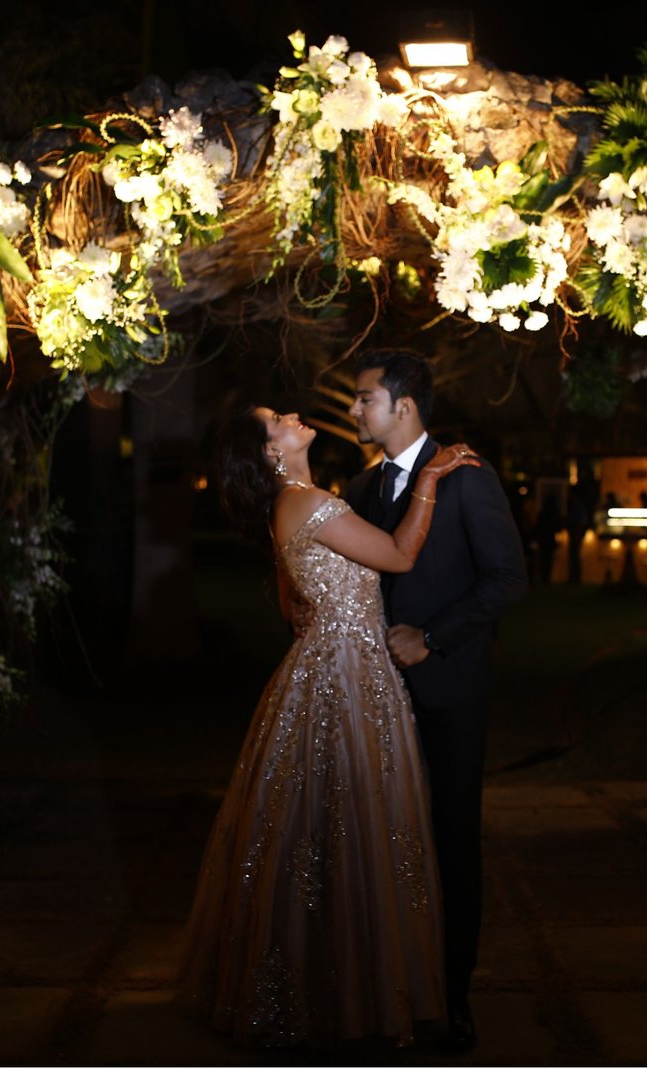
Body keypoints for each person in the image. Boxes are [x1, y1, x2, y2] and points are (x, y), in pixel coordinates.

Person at [177, 403, 479, 1049]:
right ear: (268, 451)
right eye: (274, 418)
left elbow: (294, 606)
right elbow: (399, 556)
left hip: (330, 667)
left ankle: (319, 989)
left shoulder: (293, 505)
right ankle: (343, 998)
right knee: (350, 830)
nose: (291, 413)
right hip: (346, 674)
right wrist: (429, 480)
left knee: (322, 834)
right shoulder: (307, 502)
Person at [342, 349, 528, 1054]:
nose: (356, 410)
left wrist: (435, 638)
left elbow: (508, 578)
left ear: (404, 406)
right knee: (385, 841)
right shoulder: (361, 486)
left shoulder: (465, 476)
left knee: (450, 843)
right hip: (374, 695)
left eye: (365, 399)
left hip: (449, 690)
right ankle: (390, 987)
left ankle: (452, 999)